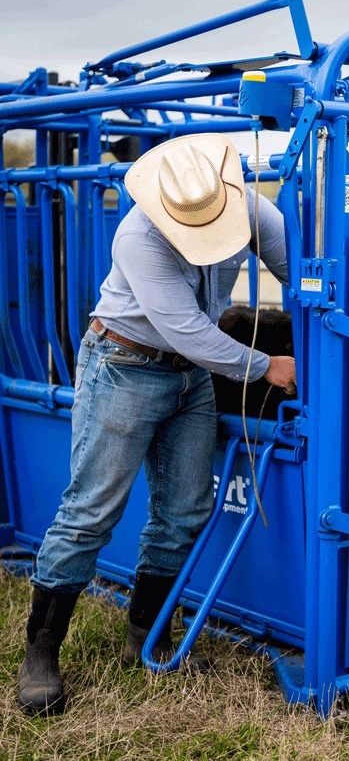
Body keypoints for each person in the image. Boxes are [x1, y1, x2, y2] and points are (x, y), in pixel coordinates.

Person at [18, 133, 297, 716]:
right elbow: (187, 330)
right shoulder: (139, 236)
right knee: (91, 509)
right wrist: (267, 364)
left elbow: (304, 274)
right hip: (124, 365)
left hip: (190, 377)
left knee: (186, 509)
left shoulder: (251, 209)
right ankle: (40, 653)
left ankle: (146, 634)